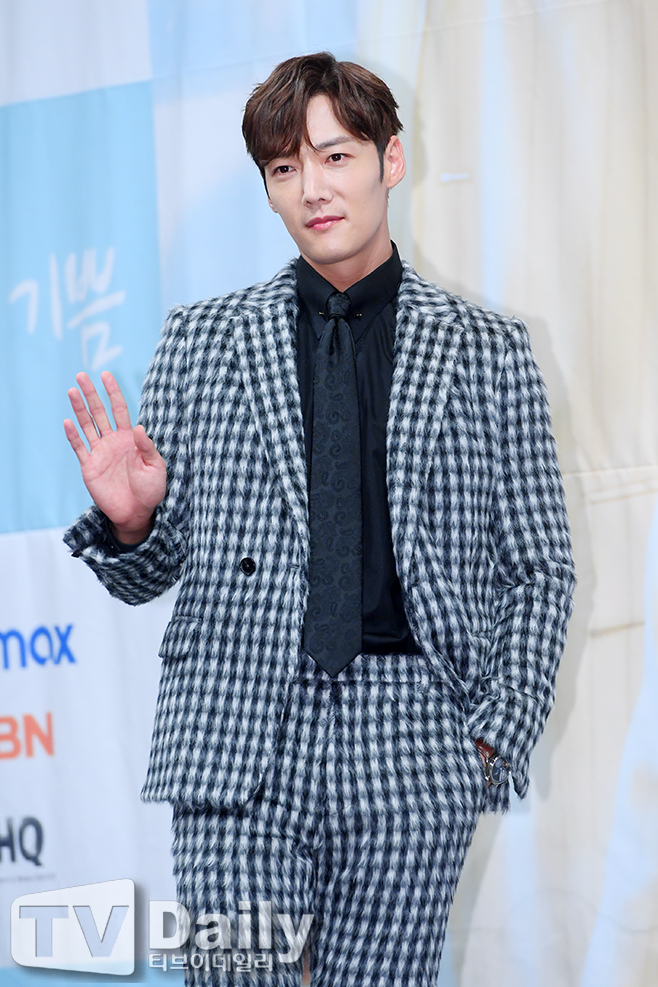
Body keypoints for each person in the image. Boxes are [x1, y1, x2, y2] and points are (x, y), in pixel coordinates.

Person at [63, 52, 575, 987]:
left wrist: (490, 735)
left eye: (336, 156)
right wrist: (135, 523)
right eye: (285, 168)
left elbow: (538, 566)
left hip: (414, 735)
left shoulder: (488, 352)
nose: (313, 188)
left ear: (391, 160)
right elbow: (155, 571)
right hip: (238, 737)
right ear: (268, 189)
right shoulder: (202, 340)